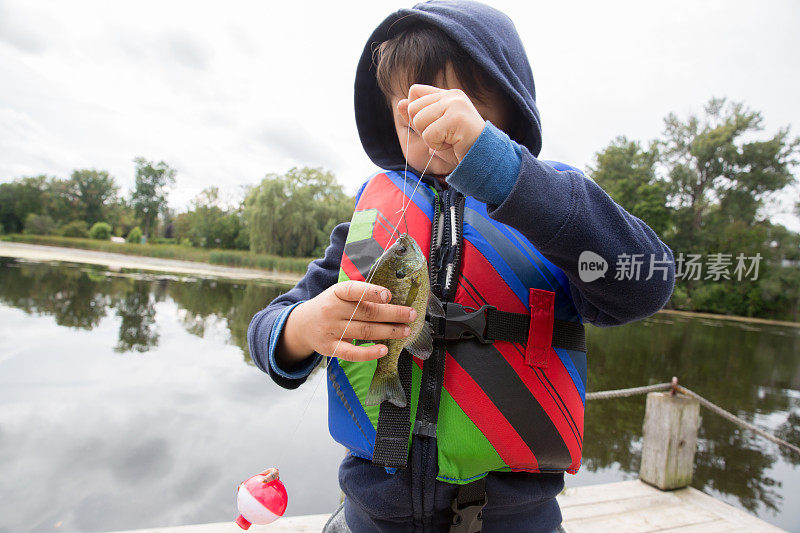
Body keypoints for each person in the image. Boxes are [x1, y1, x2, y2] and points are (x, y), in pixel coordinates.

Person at [247, 1, 675, 531]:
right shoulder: (376, 219)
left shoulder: (554, 212)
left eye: (452, 100)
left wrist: (498, 168)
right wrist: (303, 326)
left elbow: (648, 282)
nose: (428, 122)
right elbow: (265, 328)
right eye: (408, 106)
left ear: (511, 107)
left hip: (518, 520)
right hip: (372, 517)